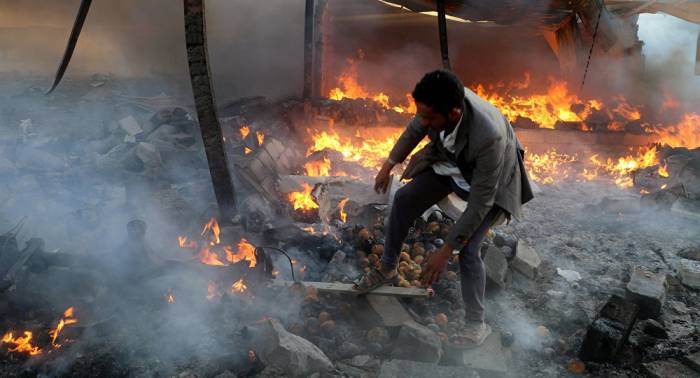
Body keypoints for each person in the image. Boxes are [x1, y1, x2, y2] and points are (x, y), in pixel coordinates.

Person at [354, 70, 533, 346]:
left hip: (490, 184)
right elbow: (415, 128)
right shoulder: (435, 105)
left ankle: (476, 323)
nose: (423, 121)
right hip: (452, 163)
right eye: (421, 114)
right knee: (403, 199)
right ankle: (387, 269)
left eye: (429, 118)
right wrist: (389, 164)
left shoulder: (489, 138)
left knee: (469, 249)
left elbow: (479, 204)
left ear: (453, 114)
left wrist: (446, 250)